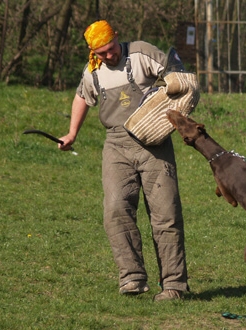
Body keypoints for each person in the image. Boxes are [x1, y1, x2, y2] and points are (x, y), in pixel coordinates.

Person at [58, 20, 189, 301]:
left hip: (154, 142)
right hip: (116, 144)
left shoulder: (142, 52)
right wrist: (72, 133)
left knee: (166, 214)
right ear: (93, 52)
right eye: (102, 53)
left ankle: (174, 285)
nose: (109, 56)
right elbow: (82, 97)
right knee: (116, 209)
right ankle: (132, 277)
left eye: (111, 48)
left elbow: (177, 76)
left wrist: (173, 108)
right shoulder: (93, 72)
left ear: (117, 37)